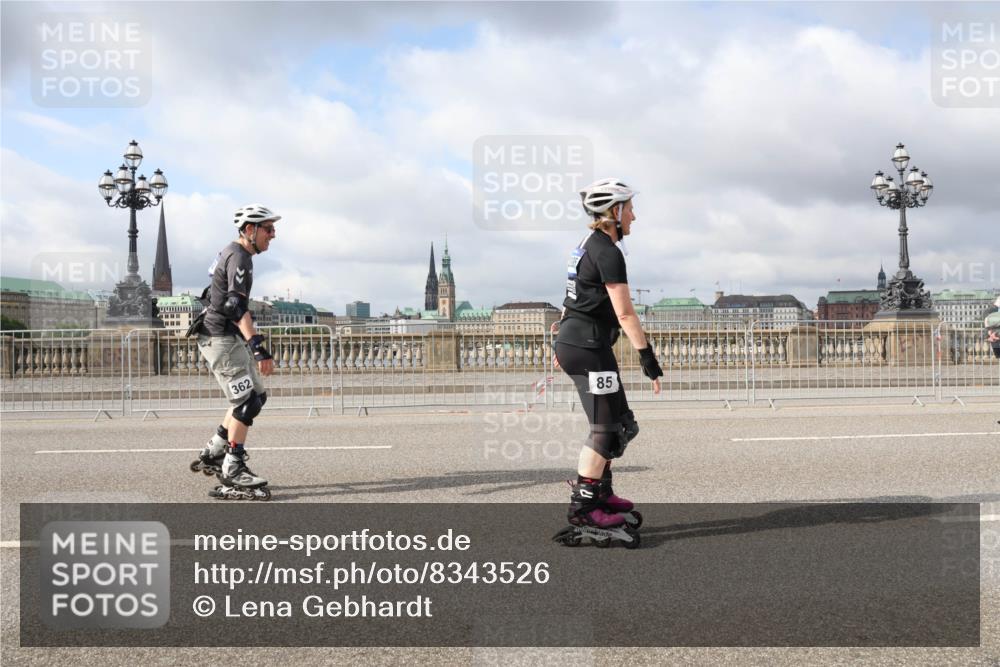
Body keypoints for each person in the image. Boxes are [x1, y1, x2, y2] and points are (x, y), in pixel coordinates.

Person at [551, 179, 662, 548]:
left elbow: (572, 296)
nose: (634, 215)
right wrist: (647, 358)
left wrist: (561, 339)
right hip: (588, 347)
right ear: (614, 213)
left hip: (581, 342)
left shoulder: (585, 247)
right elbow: (626, 313)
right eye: (629, 208)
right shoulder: (608, 252)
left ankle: (600, 492)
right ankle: (584, 509)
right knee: (605, 429)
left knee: (622, 426)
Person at [188, 204, 280, 500]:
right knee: (248, 402)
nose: (273, 235)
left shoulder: (232, 252)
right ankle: (233, 467)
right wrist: (258, 347)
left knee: (255, 394)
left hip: (224, 335)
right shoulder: (239, 256)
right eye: (268, 229)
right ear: (250, 230)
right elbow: (234, 306)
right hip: (221, 338)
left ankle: (216, 450)